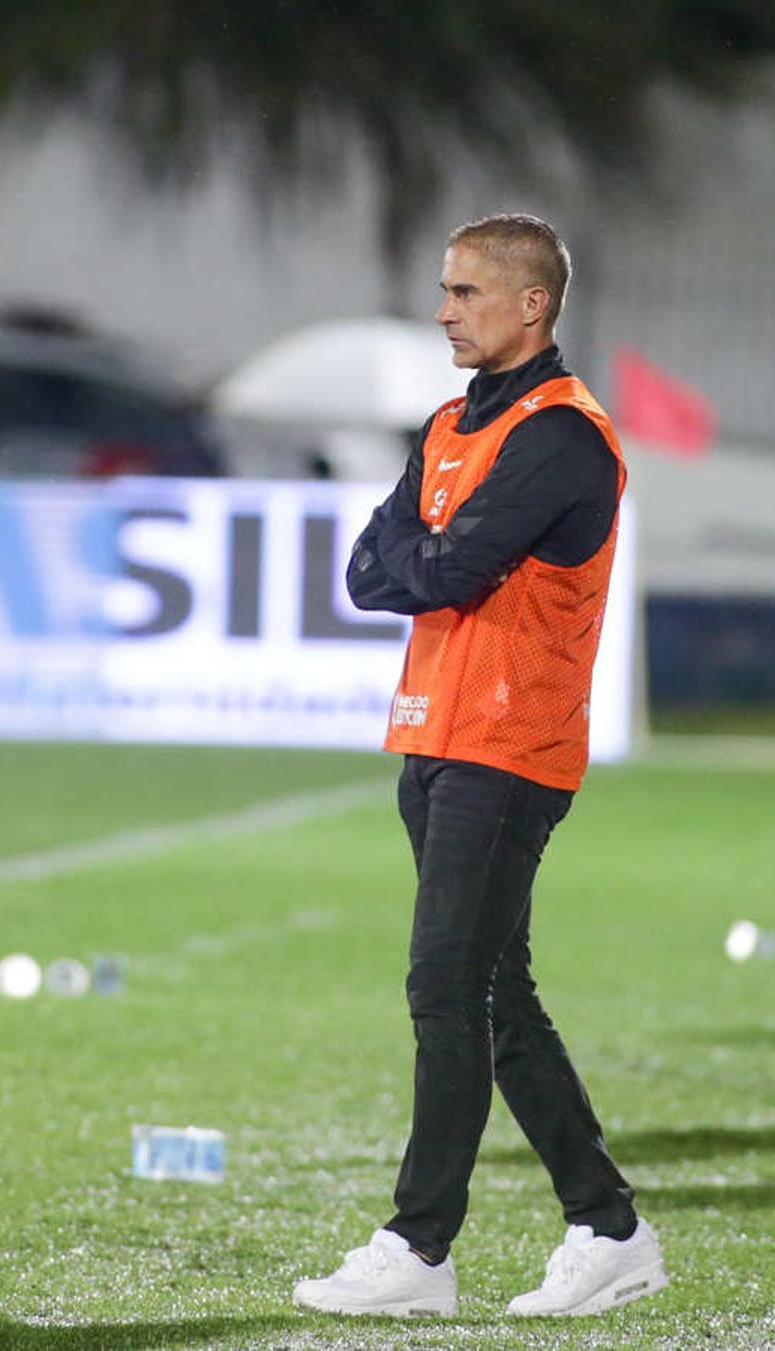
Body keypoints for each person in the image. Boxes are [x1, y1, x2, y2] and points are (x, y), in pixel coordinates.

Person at [293, 214, 666, 1319]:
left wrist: (429, 560)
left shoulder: (563, 436)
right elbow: (375, 568)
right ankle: (610, 1228)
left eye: (464, 292)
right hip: (436, 734)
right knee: (498, 994)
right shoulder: (453, 422)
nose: (445, 309)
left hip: (511, 747)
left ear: (531, 306)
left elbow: (449, 564)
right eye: (445, 290)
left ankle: (421, 1249)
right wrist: (428, 561)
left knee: (445, 984)